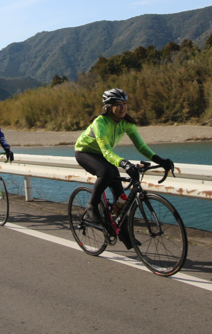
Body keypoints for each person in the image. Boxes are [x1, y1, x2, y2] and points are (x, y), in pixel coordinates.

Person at [74, 88, 174, 248]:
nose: (123, 108)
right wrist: (124, 163)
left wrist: (160, 160)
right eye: (118, 105)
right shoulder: (100, 123)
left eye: (125, 104)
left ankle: (124, 233)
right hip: (85, 152)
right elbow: (106, 151)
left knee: (122, 198)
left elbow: (141, 146)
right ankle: (92, 205)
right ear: (108, 107)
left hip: (104, 155)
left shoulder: (126, 123)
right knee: (107, 172)